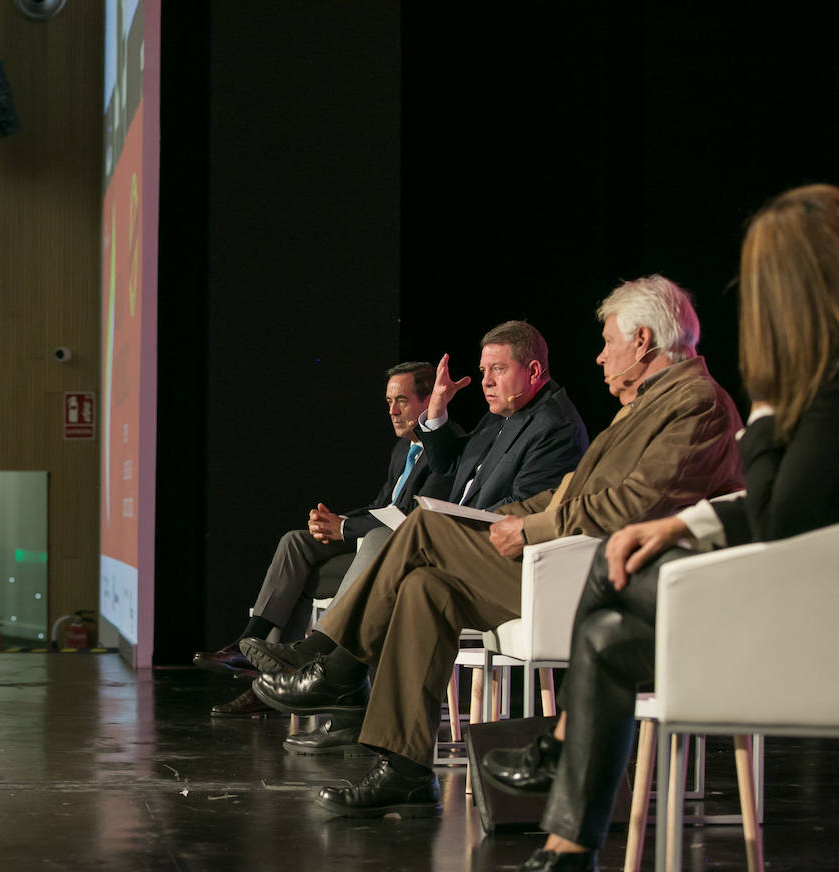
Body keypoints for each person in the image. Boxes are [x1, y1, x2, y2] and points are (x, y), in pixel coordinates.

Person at [450, 185, 839, 872]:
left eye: (761, 284)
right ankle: (566, 863)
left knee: (616, 567)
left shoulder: (813, 395)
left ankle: (561, 755)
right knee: (605, 633)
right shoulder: (813, 387)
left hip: (808, 619)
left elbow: (785, 516)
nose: (753, 306)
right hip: (776, 592)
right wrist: (683, 528)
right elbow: (765, 506)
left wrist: (760, 413)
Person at [254, 275, 745, 820]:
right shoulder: (646, 405)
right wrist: (516, 518)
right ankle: (404, 769)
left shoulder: (696, 404)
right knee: (424, 589)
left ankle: (338, 669)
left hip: (604, 585)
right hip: (570, 566)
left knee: (423, 528)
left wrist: (531, 529)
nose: (600, 356)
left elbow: (638, 505)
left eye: (608, 342)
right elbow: (570, 492)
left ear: (644, 341)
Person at [239, 321, 590, 748]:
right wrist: (437, 411)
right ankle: (388, 745)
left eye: (497, 370)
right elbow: (450, 465)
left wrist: (452, 521)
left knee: (407, 530)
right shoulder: (501, 417)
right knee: (414, 577)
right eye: (483, 371)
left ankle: (324, 661)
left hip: (504, 560)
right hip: (462, 551)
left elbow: (523, 511)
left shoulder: (553, 425)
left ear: (533, 371)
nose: (485, 381)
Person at [195, 361, 454, 711]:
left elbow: (411, 520)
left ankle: (275, 685)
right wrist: (336, 521)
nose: (392, 411)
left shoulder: (445, 449)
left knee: (303, 577)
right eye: (389, 401)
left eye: (402, 401)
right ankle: (249, 642)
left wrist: (344, 528)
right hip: (369, 550)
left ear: (429, 401)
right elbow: (381, 506)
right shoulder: (402, 450)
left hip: (396, 563)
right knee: (297, 541)